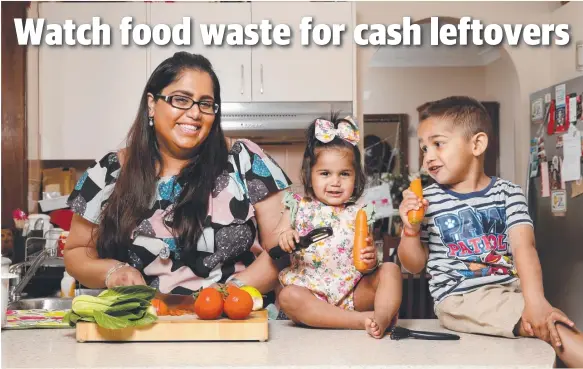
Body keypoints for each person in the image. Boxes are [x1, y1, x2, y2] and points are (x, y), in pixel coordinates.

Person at [64, 52, 291, 296]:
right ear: (151, 104)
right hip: (141, 323)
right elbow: (76, 253)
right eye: (181, 100)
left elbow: (282, 250)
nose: (195, 113)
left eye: (205, 104)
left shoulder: (245, 160)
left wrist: (226, 294)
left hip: (233, 319)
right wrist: (112, 271)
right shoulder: (109, 171)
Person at [397, 96, 580, 362]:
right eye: (424, 148)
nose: (428, 158)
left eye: (438, 144)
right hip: (460, 297)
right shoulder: (428, 201)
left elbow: (523, 248)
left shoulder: (509, 193)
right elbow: (413, 265)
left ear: (477, 144)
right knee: (557, 330)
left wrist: (536, 300)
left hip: (510, 293)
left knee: (548, 328)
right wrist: (410, 229)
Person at [275, 115, 402, 339]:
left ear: (356, 176)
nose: (335, 182)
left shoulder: (361, 211)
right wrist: (287, 237)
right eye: (325, 173)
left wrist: (371, 262)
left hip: (354, 293)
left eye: (344, 174)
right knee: (287, 297)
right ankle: (363, 320)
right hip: (311, 295)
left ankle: (381, 317)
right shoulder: (297, 205)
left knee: (390, 270)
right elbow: (281, 234)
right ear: (309, 174)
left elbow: (367, 263)